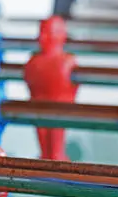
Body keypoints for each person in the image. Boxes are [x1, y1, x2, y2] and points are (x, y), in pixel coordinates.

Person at [24, 16, 78, 161]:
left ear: (61, 35)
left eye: (48, 33)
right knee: (45, 150)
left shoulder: (66, 62)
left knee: (55, 151)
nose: (42, 37)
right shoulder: (33, 62)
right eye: (41, 32)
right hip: (38, 108)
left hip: (58, 109)